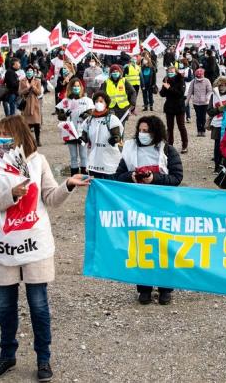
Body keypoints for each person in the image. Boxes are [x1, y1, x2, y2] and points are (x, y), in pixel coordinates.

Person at [0, 115, 90, 381]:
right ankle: (7, 355)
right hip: (3, 245)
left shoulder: (37, 161)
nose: (2, 140)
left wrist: (69, 185)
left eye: (7, 135)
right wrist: (10, 196)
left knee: (38, 304)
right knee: (6, 306)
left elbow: (50, 197)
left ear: (20, 136)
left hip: (34, 242)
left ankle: (43, 359)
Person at [115, 115, 184, 305]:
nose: (142, 134)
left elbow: (177, 178)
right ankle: (144, 288)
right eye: (141, 130)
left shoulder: (167, 151)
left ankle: (165, 288)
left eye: (147, 131)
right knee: (141, 247)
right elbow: (118, 176)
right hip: (138, 208)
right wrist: (133, 177)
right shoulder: (130, 150)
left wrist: (154, 178)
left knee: (163, 247)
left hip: (163, 208)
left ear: (156, 132)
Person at [81, 91, 124, 180]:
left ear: (106, 104)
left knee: (110, 185)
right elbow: (84, 135)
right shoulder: (89, 120)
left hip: (109, 159)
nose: (98, 103)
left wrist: (115, 139)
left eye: (101, 101)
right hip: (95, 161)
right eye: (96, 101)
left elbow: (117, 135)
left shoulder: (112, 119)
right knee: (96, 184)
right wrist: (81, 139)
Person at [56, 79, 93, 175]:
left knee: (83, 155)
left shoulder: (87, 100)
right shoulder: (65, 101)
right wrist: (65, 115)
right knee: (73, 156)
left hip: (83, 132)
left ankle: (84, 175)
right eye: (74, 86)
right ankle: (74, 176)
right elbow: (60, 116)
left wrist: (84, 115)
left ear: (81, 87)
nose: (76, 88)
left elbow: (91, 115)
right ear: (70, 88)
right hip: (70, 132)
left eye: (78, 86)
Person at [160, 63, 188, 154]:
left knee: (181, 126)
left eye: (172, 72)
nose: (170, 73)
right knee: (169, 127)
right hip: (169, 106)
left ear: (176, 72)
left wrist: (169, 88)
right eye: (169, 72)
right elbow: (162, 94)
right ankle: (169, 145)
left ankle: (184, 145)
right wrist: (164, 87)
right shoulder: (166, 79)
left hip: (179, 106)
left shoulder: (180, 79)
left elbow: (180, 93)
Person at [19, 66, 44, 146]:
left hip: (35, 103)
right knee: (27, 124)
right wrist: (27, 89)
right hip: (26, 104)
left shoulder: (37, 81)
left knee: (37, 123)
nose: (29, 72)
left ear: (33, 72)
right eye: (28, 70)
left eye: (31, 70)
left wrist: (33, 88)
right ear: (25, 72)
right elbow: (20, 92)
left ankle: (38, 140)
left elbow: (39, 92)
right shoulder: (22, 81)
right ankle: (28, 140)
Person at [186, 68, 213, 138]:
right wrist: (187, 101)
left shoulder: (207, 81)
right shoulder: (193, 81)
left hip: (205, 103)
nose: (199, 77)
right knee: (198, 117)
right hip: (196, 103)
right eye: (198, 76)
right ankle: (199, 131)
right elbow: (190, 92)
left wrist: (207, 97)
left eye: (200, 76)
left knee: (203, 117)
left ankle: (203, 131)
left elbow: (210, 91)